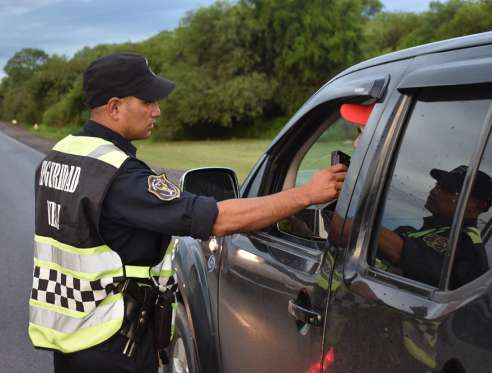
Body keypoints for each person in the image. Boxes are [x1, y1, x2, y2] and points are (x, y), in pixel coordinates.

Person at [29, 52, 347, 373]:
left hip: (72, 333)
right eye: (148, 102)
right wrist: (306, 194)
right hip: (112, 340)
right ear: (114, 107)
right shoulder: (120, 176)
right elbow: (218, 219)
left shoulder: (60, 155)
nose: (157, 111)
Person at [376, 166, 492, 289]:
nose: (434, 191)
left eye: (448, 189)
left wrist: (359, 226)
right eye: (437, 184)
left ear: (477, 206)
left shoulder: (465, 245)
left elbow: (406, 255)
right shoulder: (431, 231)